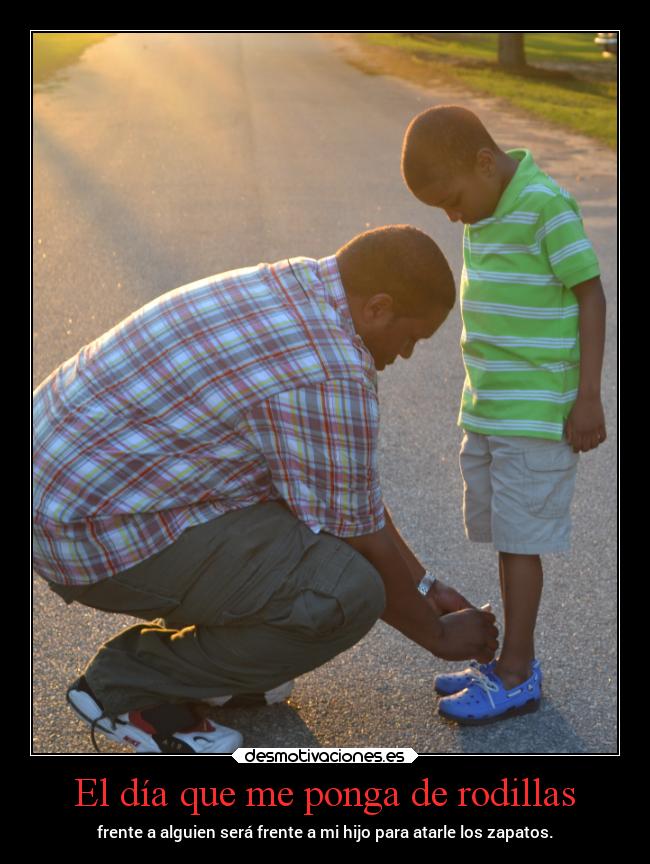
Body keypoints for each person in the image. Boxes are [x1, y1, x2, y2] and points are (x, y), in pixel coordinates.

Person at [33, 224, 498, 754]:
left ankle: (219, 668)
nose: (408, 353)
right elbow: (360, 537)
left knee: (311, 528)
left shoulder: (299, 283)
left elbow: (348, 499)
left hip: (69, 489)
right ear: (378, 308)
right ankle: (129, 688)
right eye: (412, 337)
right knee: (349, 590)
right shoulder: (332, 371)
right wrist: (435, 636)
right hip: (82, 530)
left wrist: (425, 585)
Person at [401, 106, 607, 725]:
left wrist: (589, 395)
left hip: (537, 413)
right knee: (508, 540)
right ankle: (510, 661)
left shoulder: (546, 205)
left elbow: (590, 293)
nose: (453, 217)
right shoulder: (487, 203)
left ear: (484, 164)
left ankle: (518, 673)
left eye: (454, 201)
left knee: (521, 544)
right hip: (491, 408)